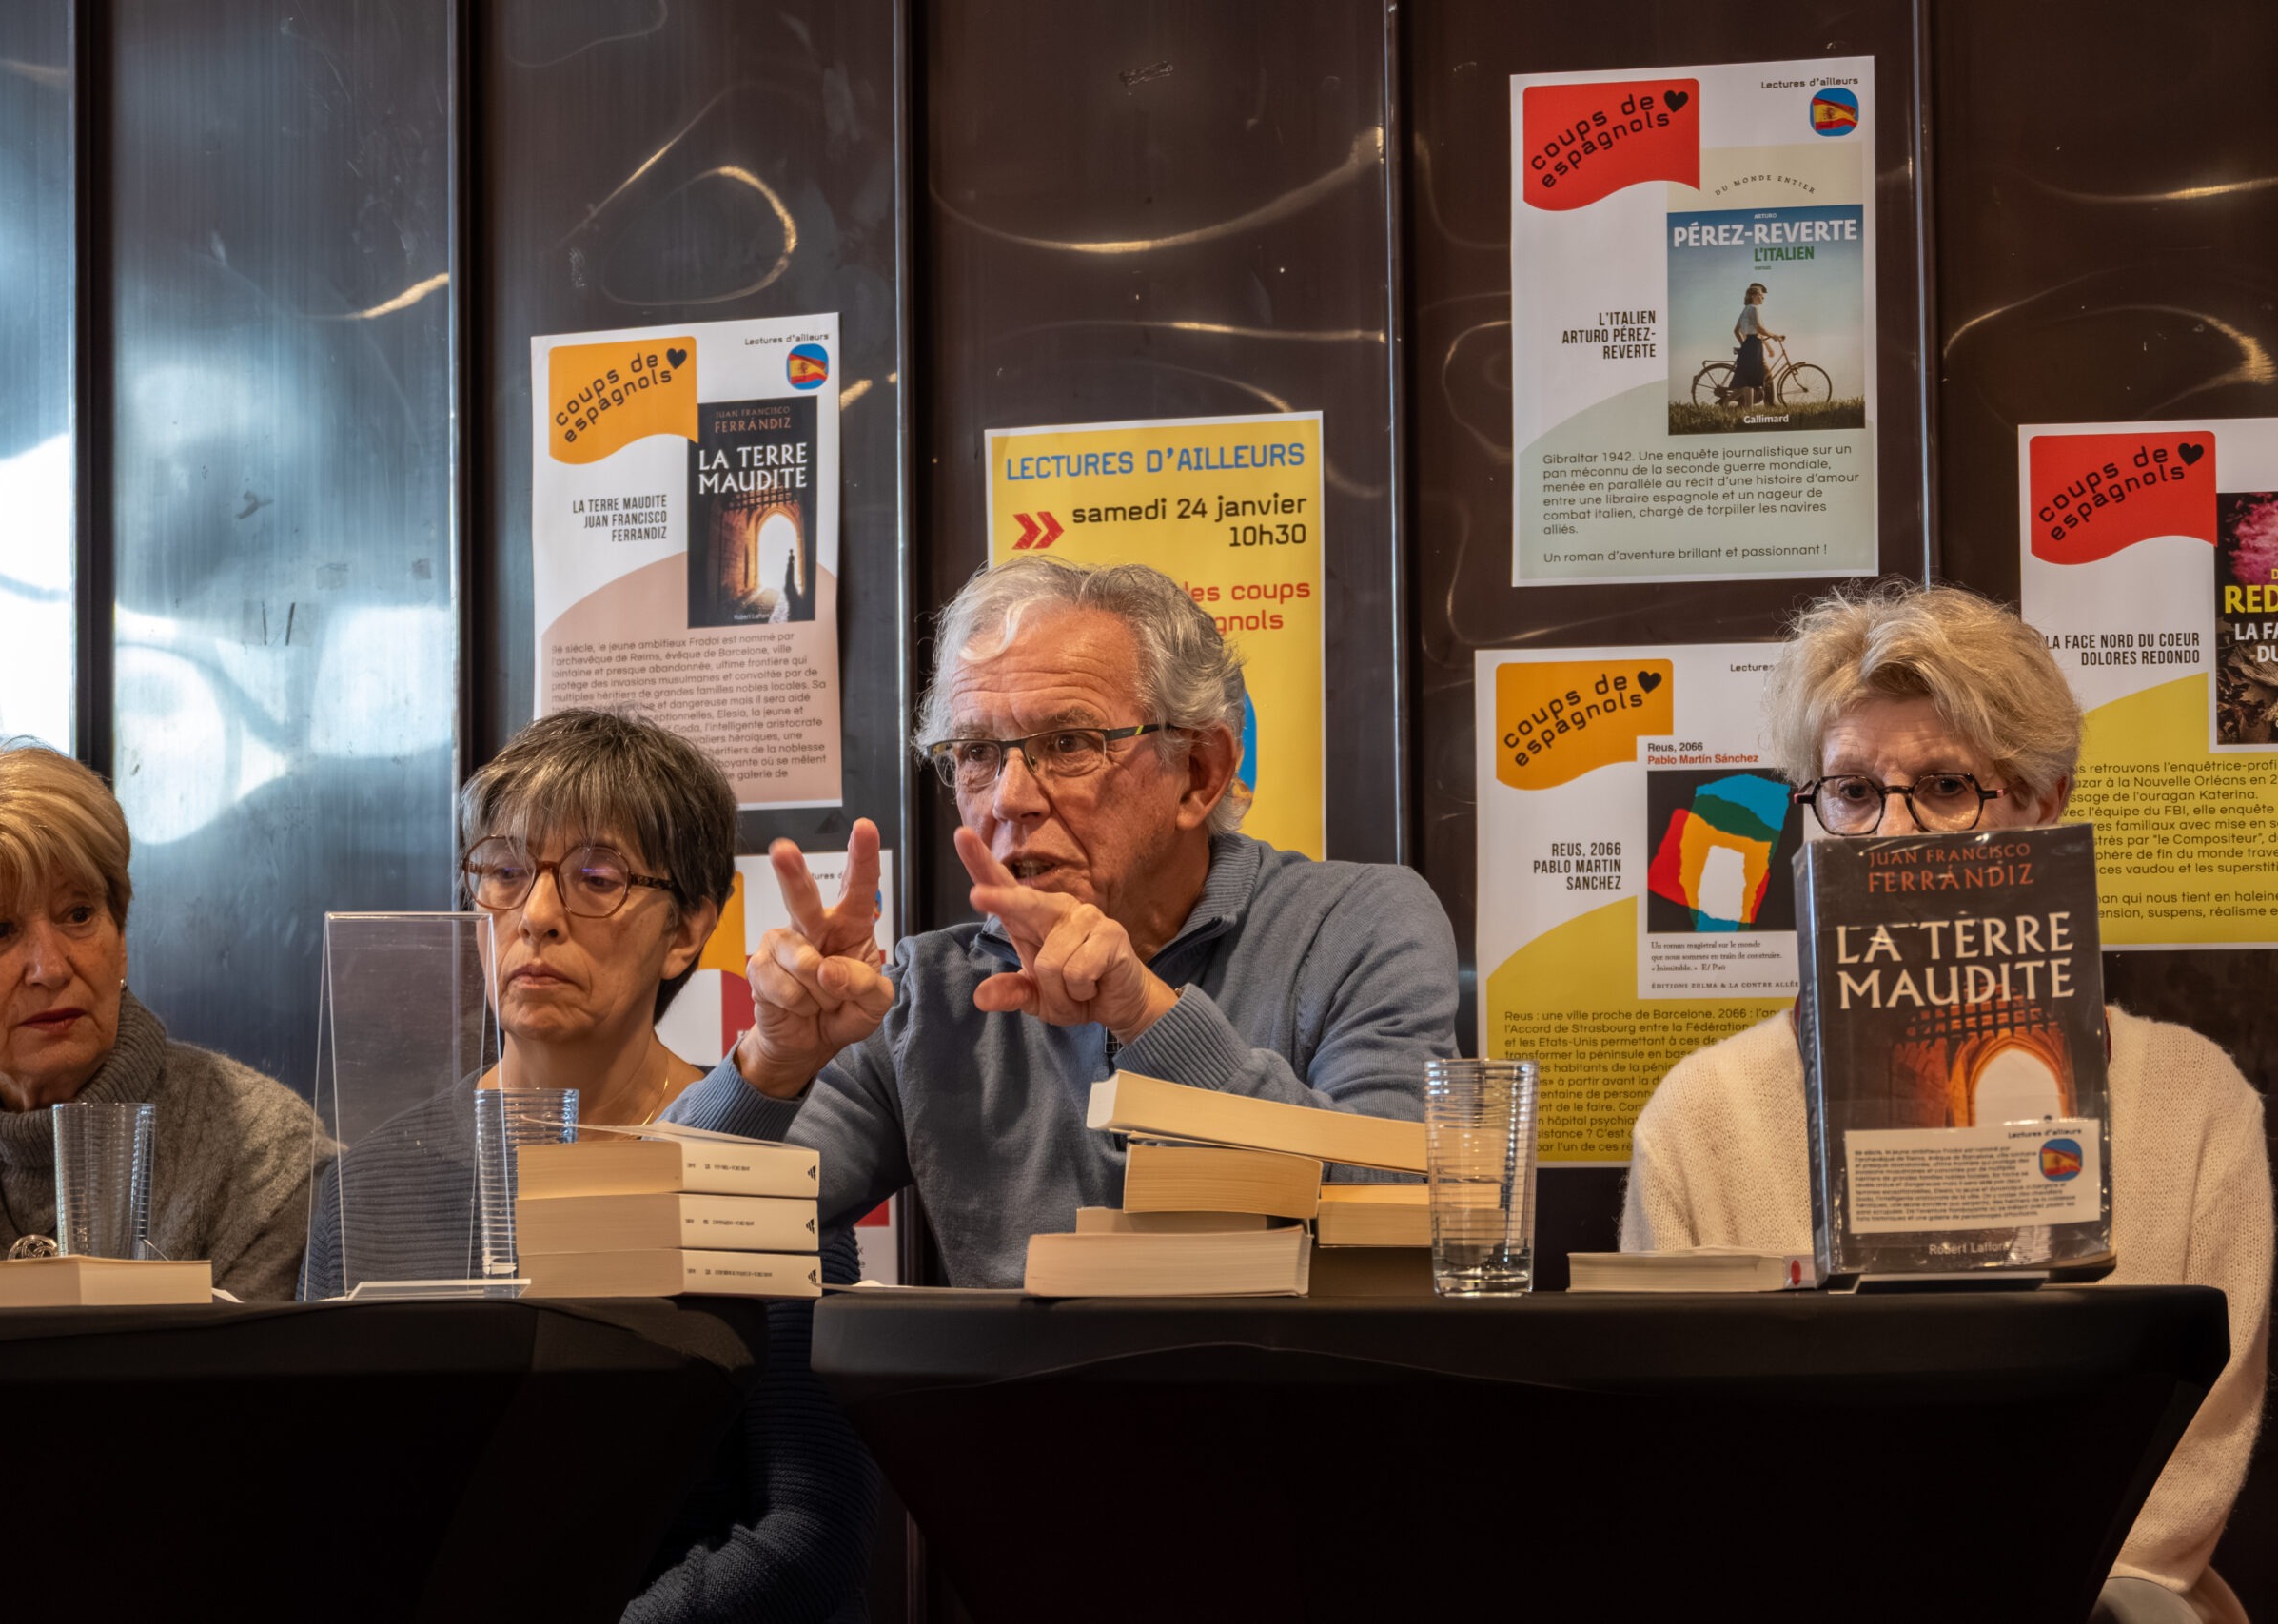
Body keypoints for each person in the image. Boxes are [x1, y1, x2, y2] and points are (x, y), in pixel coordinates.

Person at [1620, 581, 2271, 1624]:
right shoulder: (1701, 1113)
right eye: (1851, 790)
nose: (1892, 831)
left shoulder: (2195, 1099)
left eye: (1946, 786)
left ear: (2042, 802)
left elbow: (2189, 1468)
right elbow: (1682, 1448)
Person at [665, 558, 1460, 1286]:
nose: (1010, 797)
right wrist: (771, 1062)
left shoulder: (1356, 924)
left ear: (1200, 772)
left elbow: (1415, 1209)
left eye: (1069, 742)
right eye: (977, 752)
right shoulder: (925, 994)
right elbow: (668, 1233)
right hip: (1011, 1400)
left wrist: (1150, 1018)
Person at [298, 709, 877, 1624]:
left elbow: (811, 1530)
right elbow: (321, 1495)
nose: (535, 917)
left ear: (688, 928)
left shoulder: (772, 1153)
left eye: (596, 879)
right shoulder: (369, 1181)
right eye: (503, 872)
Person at [0, 743, 317, 1300]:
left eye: (79, 915)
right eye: (0, 930)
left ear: (120, 937)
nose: (51, 968)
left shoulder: (266, 1151)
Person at [1731, 280, 1783, 408]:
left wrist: (1744, 344)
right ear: (1754, 296)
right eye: (1761, 295)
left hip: (1750, 344)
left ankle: (1744, 404)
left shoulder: (1745, 310)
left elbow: (1736, 331)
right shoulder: (1754, 309)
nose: (1763, 298)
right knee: (1765, 375)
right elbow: (1759, 329)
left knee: (1749, 378)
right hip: (1755, 346)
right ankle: (1769, 404)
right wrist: (1774, 336)